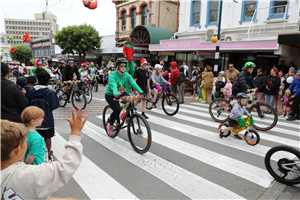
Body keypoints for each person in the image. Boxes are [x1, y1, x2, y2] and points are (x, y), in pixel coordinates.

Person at [0, 108, 87, 199]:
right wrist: (75, 133)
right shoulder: (28, 175)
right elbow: (64, 167)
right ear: (18, 150)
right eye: (24, 142)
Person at [105, 58, 145, 135]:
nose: (124, 67)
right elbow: (113, 85)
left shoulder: (127, 75)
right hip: (111, 94)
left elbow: (133, 84)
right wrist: (116, 95)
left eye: (125, 66)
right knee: (117, 110)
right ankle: (110, 124)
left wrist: (141, 92)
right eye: (122, 65)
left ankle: (128, 118)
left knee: (131, 101)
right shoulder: (112, 75)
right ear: (117, 66)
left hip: (121, 93)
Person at [27, 71, 60, 161]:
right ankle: (48, 155)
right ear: (48, 81)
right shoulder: (50, 93)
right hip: (47, 120)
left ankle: (32, 156)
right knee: (47, 138)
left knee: (33, 138)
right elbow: (54, 106)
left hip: (33, 120)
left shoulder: (31, 92)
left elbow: (27, 104)